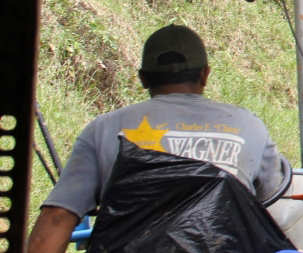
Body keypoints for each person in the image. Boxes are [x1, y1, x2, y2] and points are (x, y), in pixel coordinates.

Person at [28, 24, 285, 253]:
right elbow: (269, 206)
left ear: (143, 78)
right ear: (205, 74)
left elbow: (58, 218)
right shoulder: (248, 125)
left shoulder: (103, 130)